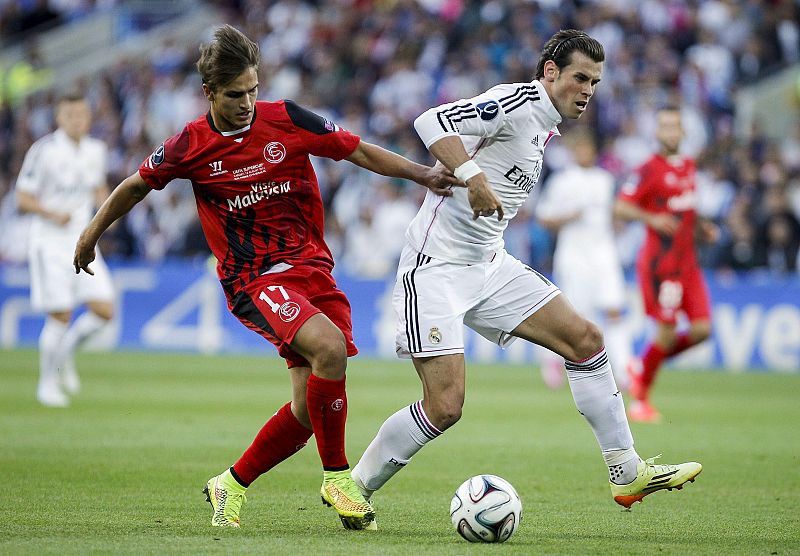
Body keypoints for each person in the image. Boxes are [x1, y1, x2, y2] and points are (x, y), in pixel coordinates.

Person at [73, 25, 456, 530]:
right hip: (253, 278)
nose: (248, 102)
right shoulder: (191, 143)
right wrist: (92, 232)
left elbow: (357, 149)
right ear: (210, 93)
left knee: (304, 410)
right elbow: (135, 186)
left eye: (254, 89)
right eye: (236, 95)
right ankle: (338, 478)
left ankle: (228, 485)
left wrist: (423, 174)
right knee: (330, 351)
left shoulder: (287, 118)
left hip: (312, 269)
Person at [351, 30, 702, 520]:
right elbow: (430, 120)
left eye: (595, 83)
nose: (588, 90)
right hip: (435, 269)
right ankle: (355, 486)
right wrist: (473, 177)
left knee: (587, 341)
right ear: (551, 72)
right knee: (445, 405)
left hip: (488, 264)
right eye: (580, 77)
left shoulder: (546, 124)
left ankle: (627, 472)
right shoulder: (517, 101)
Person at [615, 106, 718, 423]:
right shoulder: (648, 169)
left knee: (702, 330)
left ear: (683, 132)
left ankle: (644, 366)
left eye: (676, 126)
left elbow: (685, 206)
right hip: (663, 266)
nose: (671, 132)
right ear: (657, 133)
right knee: (666, 333)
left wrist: (702, 228)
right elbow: (621, 207)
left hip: (690, 265)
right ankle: (640, 400)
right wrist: (651, 218)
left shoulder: (688, 165)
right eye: (665, 127)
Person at [16, 90, 115, 408]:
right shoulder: (43, 151)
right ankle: (46, 383)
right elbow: (23, 198)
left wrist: (106, 213)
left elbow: (99, 189)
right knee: (61, 314)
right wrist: (51, 214)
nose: (77, 120)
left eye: (82, 115)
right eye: (71, 115)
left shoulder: (95, 150)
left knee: (104, 310)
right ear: (59, 118)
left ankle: (65, 354)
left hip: (83, 242)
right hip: (50, 243)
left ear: (88, 117)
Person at [535, 130, 632, 390]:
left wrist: (618, 223)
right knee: (577, 316)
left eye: (589, 149)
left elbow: (616, 212)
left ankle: (624, 371)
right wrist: (568, 216)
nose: (584, 153)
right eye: (580, 149)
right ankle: (554, 360)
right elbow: (543, 218)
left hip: (604, 253)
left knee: (614, 309)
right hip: (573, 255)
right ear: (574, 151)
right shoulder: (562, 181)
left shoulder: (606, 180)